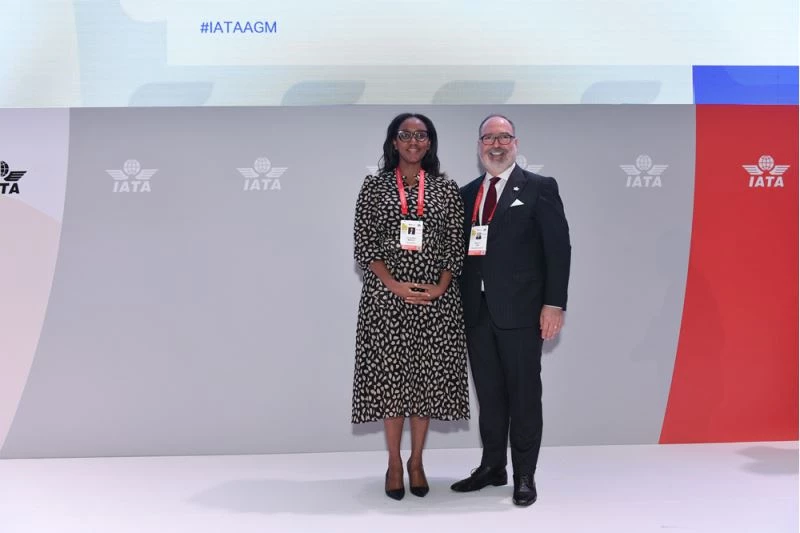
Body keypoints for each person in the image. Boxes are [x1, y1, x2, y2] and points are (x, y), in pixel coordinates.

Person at [451, 114, 571, 506]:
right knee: (489, 396)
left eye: (504, 137)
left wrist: (554, 304)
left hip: (522, 313)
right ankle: (492, 467)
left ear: (516, 143)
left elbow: (558, 249)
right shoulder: (467, 194)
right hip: (477, 313)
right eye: (489, 138)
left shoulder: (539, 187)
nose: (496, 144)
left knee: (523, 396)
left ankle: (524, 475)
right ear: (479, 146)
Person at [351, 113, 469, 501]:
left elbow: (455, 246)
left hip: (436, 301)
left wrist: (439, 288)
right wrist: (395, 285)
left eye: (421, 135)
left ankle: (416, 462)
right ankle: (393, 463)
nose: (413, 141)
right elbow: (365, 245)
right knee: (391, 382)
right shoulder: (374, 186)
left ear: (430, 142)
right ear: (394, 142)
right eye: (405, 135)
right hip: (386, 300)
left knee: (426, 383)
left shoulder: (446, 189)